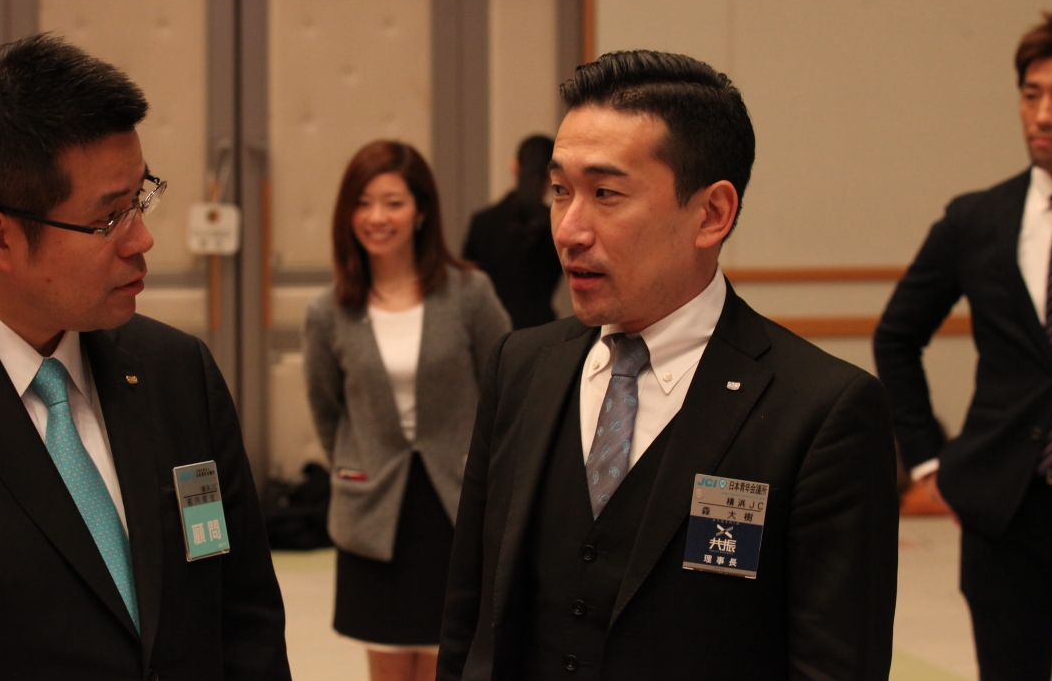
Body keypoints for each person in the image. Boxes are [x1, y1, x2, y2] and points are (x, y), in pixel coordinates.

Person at [0, 34, 290, 680]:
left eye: (141, 197)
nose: (142, 239)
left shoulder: (177, 371)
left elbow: (246, 622)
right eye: (109, 218)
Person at [439, 51, 899, 681]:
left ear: (711, 214)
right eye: (560, 191)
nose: (569, 230)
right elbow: (470, 618)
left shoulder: (820, 411)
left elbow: (834, 662)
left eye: (606, 194)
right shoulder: (522, 366)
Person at [875, 12, 1052, 680]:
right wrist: (927, 460)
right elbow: (896, 336)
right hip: (1004, 507)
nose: (1043, 114)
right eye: (1031, 94)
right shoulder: (977, 219)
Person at [304, 140, 510, 681]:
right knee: (388, 665)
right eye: (363, 202)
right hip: (374, 506)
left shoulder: (469, 293)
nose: (377, 217)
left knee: (450, 661)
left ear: (420, 211)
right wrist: (354, 461)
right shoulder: (328, 310)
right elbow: (327, 408)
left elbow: (507, 389)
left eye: (393, 202)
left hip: (455, 502)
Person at [462, 134, 563, 329]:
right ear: (552, 176)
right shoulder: (558, 224)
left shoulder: (482, 222)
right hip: (543, 331)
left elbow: (467, 284)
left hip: (492, 331)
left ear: (514, 166)